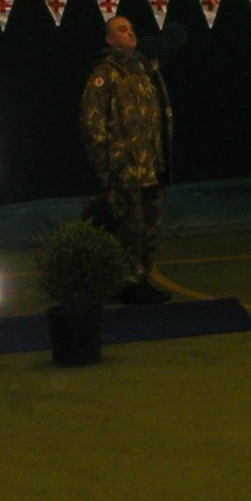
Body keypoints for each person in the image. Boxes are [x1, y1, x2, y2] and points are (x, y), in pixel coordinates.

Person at [80, 15, 173, 304]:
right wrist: (104, 165)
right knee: (129, 229)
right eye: (122, 29)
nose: (130, 33)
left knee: (150, 228)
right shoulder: (106, 74)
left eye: (132, 28)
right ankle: (128, 282)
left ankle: (143, 278)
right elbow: (92, 121)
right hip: (125, 168)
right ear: (109, 39)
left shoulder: (145, 71)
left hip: (152, 165)